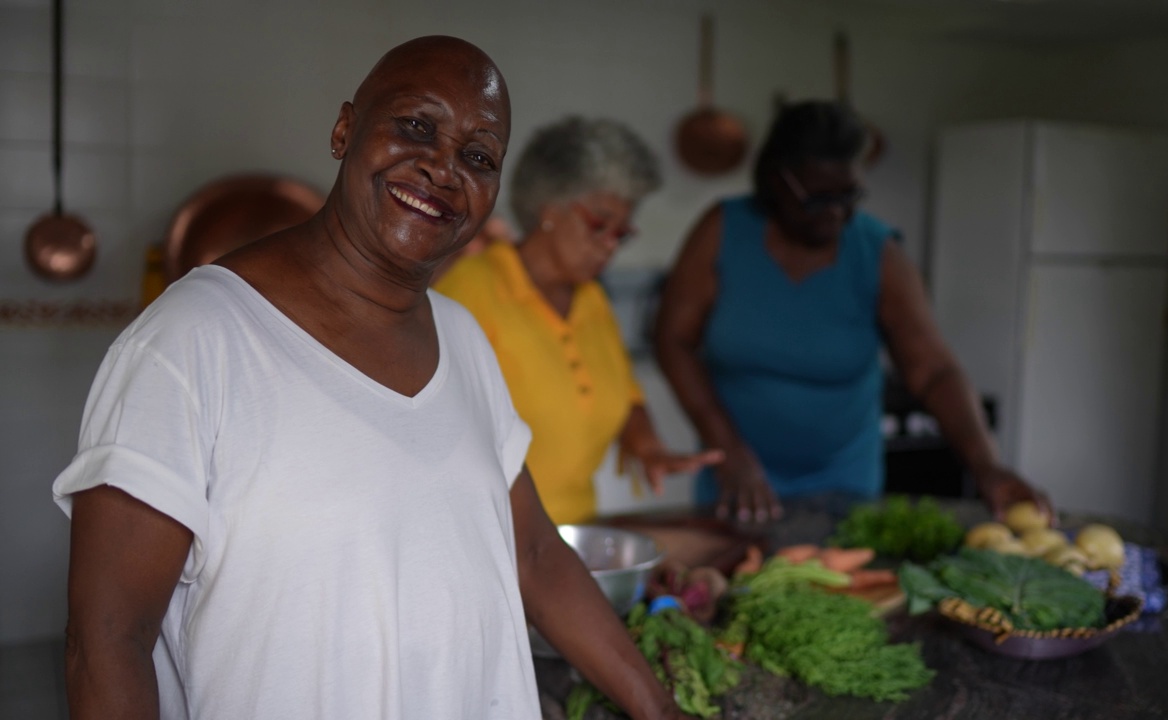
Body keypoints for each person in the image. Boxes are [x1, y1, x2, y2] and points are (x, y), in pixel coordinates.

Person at [53, 36, 691, 720]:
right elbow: (108, 643)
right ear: (344, 129)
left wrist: (658, 709)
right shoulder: (190, 342)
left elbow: (533, 552)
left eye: (478, 157)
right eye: (417, 126)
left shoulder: (463, 341)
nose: (444, 168)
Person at [654, 100, 1050, 524]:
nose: (836, 213)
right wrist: (728, 450)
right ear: (776, 180)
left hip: (844, 484)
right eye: (817, 198)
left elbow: (932, 370)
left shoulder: (879, 253)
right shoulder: (722, 230)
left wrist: (987, 465)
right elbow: (673, 340)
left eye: (849, 196)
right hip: (737, 477)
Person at [435, 116, 721, 525]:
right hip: (485, 533)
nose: (609, 246)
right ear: (549, 208)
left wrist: (649, 448)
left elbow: (625, 392)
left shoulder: (591, 300)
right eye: (598, 224)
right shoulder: (471, 292)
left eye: (621, 233)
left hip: (572, 530)